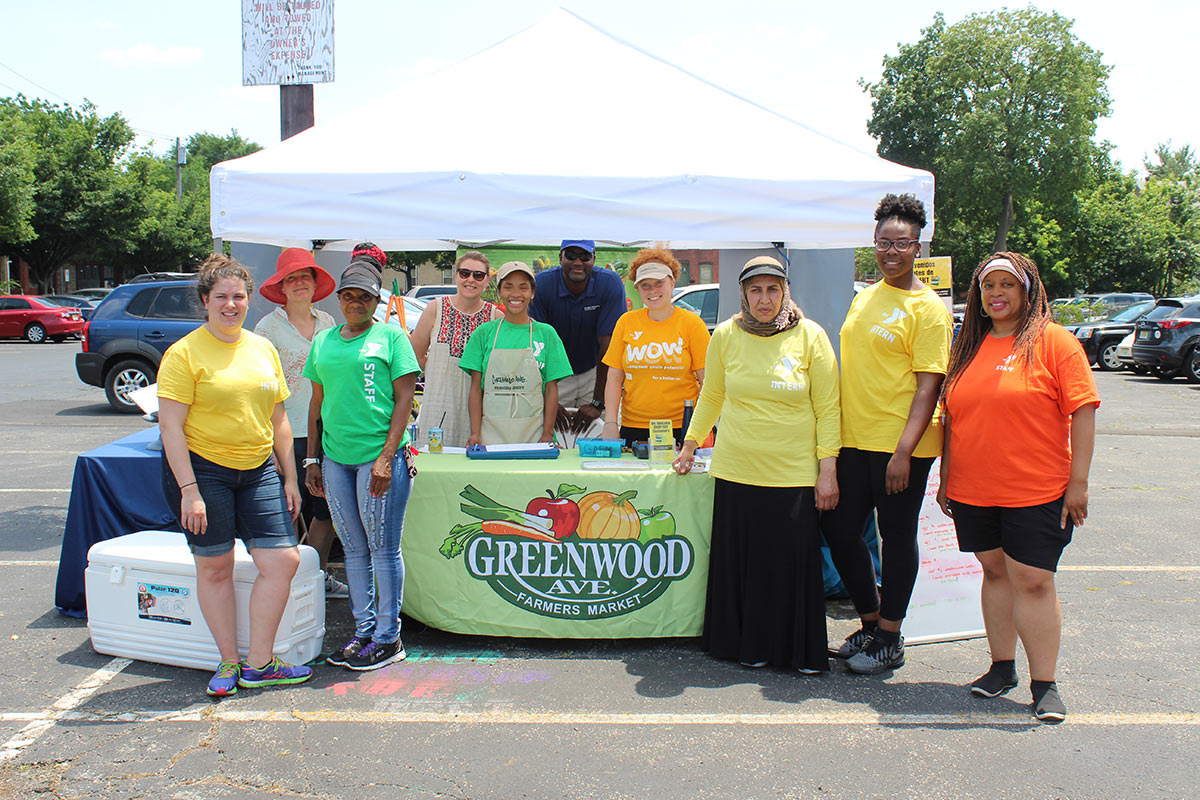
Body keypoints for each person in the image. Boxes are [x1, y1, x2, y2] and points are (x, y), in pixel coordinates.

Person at [937, 252, 1098, 724]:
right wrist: (947, 480)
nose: (997, 295)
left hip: (1038, 489)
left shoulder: (1055, 343)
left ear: (1028, 292)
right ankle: (1001, 667)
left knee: (1033, 580)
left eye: (1008, 285)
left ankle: (1044, 683)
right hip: (973, 489)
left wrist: (1079, 483)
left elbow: (1084, 410)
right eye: (989, 287)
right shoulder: (968, 346)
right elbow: (954, 420)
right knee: (994, 574)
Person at [674, 256, 840, 674]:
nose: (764, 299)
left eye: (772, 289)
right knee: (744, 564)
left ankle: (793, 651)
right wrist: (691, 443)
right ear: (743, 295)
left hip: (793, 474)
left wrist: (828, 469)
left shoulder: (810, 336)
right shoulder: (727, 334)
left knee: (787, 566)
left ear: (785, 292)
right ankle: (747, 646)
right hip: (736, 470)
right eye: (755, 290)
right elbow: (712, 395)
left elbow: (828, 408)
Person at [157, 255, 312, 697]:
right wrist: (190, 490)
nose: (231, 305)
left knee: (282, 561)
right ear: (205, 301)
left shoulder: (262, 347)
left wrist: (288, 477)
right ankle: (228, 660)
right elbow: (170, 427)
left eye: (238, 297)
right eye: (221, 297)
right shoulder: (184, 353)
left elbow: (279, 418)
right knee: (216, 568)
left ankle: (260, 662)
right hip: (203, 472)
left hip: (260, 468)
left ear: (248, 301)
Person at [820, 193, 952, 676]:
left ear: (918, 246)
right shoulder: (866, 295)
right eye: (883, 242)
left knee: (896, 538)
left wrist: (904, 452)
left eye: (902, 243)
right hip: (854, 440)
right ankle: (871, 622)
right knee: (837, 527)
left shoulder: (928, 309)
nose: (891, 251)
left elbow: (927, 387)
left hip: (901, 447)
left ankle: (891, 637)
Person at [303, 252, 422, 671]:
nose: (357, 303)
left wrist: (387, 457)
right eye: (349, 296)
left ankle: (388, 638)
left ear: (376, 301)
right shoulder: (324, 340)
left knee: (383, 549)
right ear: (339, 299)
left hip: (378, 458)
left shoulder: (391, 338)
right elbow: (317, 404)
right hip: (336, 460)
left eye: (365, 297)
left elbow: (405, 399)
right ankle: (363, 631)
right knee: (353, 549)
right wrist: (311, 458)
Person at [252, 247, 347, 598]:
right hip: (286, 433)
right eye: (290, 278)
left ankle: (317, 575)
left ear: (314, 282)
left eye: (304, 277)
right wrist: (271, 447)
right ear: (281, 287)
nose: (298, 284)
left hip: (327, 432)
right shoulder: (267, 329)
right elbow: (260, 391)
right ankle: (286, 583)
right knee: (289, 510)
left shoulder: (327, 323)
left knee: (325, 511)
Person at [600, 247, 709, 444]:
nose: (653, 291)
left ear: (672, 283)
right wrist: (610, 424)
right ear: (637, 289)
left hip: (681, 428)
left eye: (659, 283)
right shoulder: (626, 322)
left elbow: (707, 382)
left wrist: (699, 427)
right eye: (645, 286)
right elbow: (615, 377)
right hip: (634, 427)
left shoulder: (692, 324)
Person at [461, 261, 572, 446]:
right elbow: (475, 389)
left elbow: (551, 389)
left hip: (534, 435)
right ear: (499, 293)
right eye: (508, 287)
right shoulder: (484, 333)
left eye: (523, 287)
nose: (516, 294)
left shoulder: (546, 334)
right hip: (490, 435)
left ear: (532, 293)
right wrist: (475, 433)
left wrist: (547, 433)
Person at [529, 239, 626, 436]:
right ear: (560, 258)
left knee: (604, 434)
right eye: (571, 256)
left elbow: (608, 345)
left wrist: (598, 401)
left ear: (594, 259)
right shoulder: (542, 284)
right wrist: (547, 398)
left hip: (594, 371)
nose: (578, 262)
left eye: (584, 257)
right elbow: (535, 345)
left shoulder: (609, 283)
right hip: (555, 374)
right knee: (546, 434)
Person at [409, 251, 503, 448]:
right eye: (464, 273)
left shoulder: (495, 317)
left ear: (487, 281)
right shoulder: (436, 308)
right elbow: (415, 355)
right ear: (456, 275)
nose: (470, 279)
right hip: (439, 409)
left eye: (478, 275)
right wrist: (437, 371)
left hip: (480, 416)